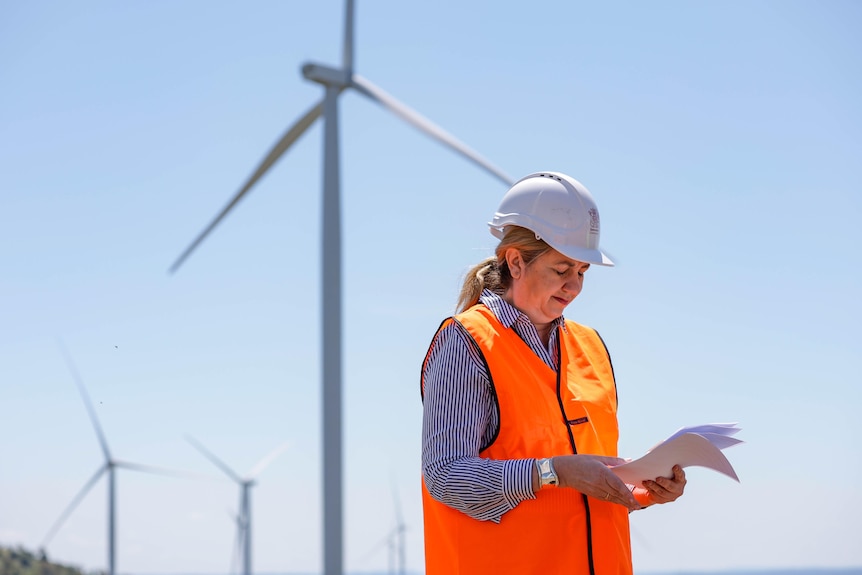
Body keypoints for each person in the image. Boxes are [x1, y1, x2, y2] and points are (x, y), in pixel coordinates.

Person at [420, 171, 687, 575]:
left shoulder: (591, 347)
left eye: (582, 272)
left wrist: (644, 488)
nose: (574, 287)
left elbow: (582, 495)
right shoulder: (467, 342)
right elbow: (446, 475)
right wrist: (552, 472)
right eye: (562, 269)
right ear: (515, 261)